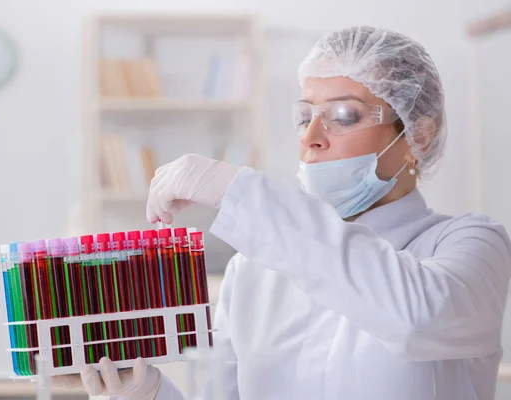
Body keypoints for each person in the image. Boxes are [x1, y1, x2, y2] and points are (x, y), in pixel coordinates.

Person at [56, 26, 511, 399]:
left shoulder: (470, 245)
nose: (312, 136)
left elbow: (417, 318)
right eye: (304, 116)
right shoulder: (253, 272)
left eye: (344, 116)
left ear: (419, 136)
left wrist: (235, 191)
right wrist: (150, 394)